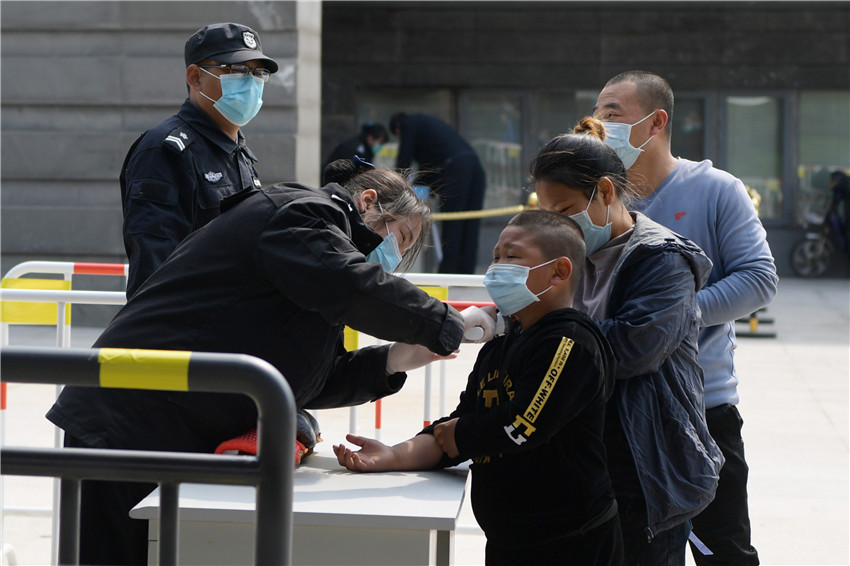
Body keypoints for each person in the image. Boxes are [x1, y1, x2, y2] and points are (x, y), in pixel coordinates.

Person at [47, 159, 497, 566]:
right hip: (130, 420)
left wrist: (396, 360)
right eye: (401, 237)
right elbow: (352, 286)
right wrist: (447, 322)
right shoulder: (304, 215)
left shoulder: (318, 260)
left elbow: (311, 378)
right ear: (367, 200)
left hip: (166, 428)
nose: (394, 257)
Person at [335, 209, 625, 566]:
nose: (497, 267)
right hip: (509, 540)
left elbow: (522, 425)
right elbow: (461, 424)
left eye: (512, 257)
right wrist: (394, 455)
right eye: (495, 257)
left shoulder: (570, 341)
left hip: (570, 543)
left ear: (559, 271)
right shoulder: (501, 343)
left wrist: (461, 432)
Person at [594, 70, 778, 565]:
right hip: (615, 408)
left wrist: (674, 319)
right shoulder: (595, 198)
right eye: (597, 113)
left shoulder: (715, 189)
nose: (599, 123)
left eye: (612, 113)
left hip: (701, 410)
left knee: (725, 551)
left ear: (656, 122)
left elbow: (759, 278)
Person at [531, 118, 724, 565]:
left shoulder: (663, 259)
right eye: (547, 213)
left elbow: (635, 348)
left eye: (564, 210)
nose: (556, 225)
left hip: (642, 465)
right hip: (579, 460)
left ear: (604, 192)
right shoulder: (565, 255)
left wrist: (544, 330)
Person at [120, 22, 278, 297]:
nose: (251, 82)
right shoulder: (165, 150)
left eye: (259, 72)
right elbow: (154, 267)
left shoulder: (239, 154)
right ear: (195, 78)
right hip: (186, 329)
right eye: (237, 70)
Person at [389, 112, 486, 274]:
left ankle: (447, 273)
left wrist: (395, 188)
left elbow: (403, 163)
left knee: (453, 224)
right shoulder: (426, 127)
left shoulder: (409, 125)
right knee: (470, 222)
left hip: (456, 170)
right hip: (474, 167)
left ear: (398, 131)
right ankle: (465, 272)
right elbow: (428, 170)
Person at [323, 122, 389, 182]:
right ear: (370, 138)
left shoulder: (366, 149)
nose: (379, 146)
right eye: (379, 142)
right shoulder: (353, 148)